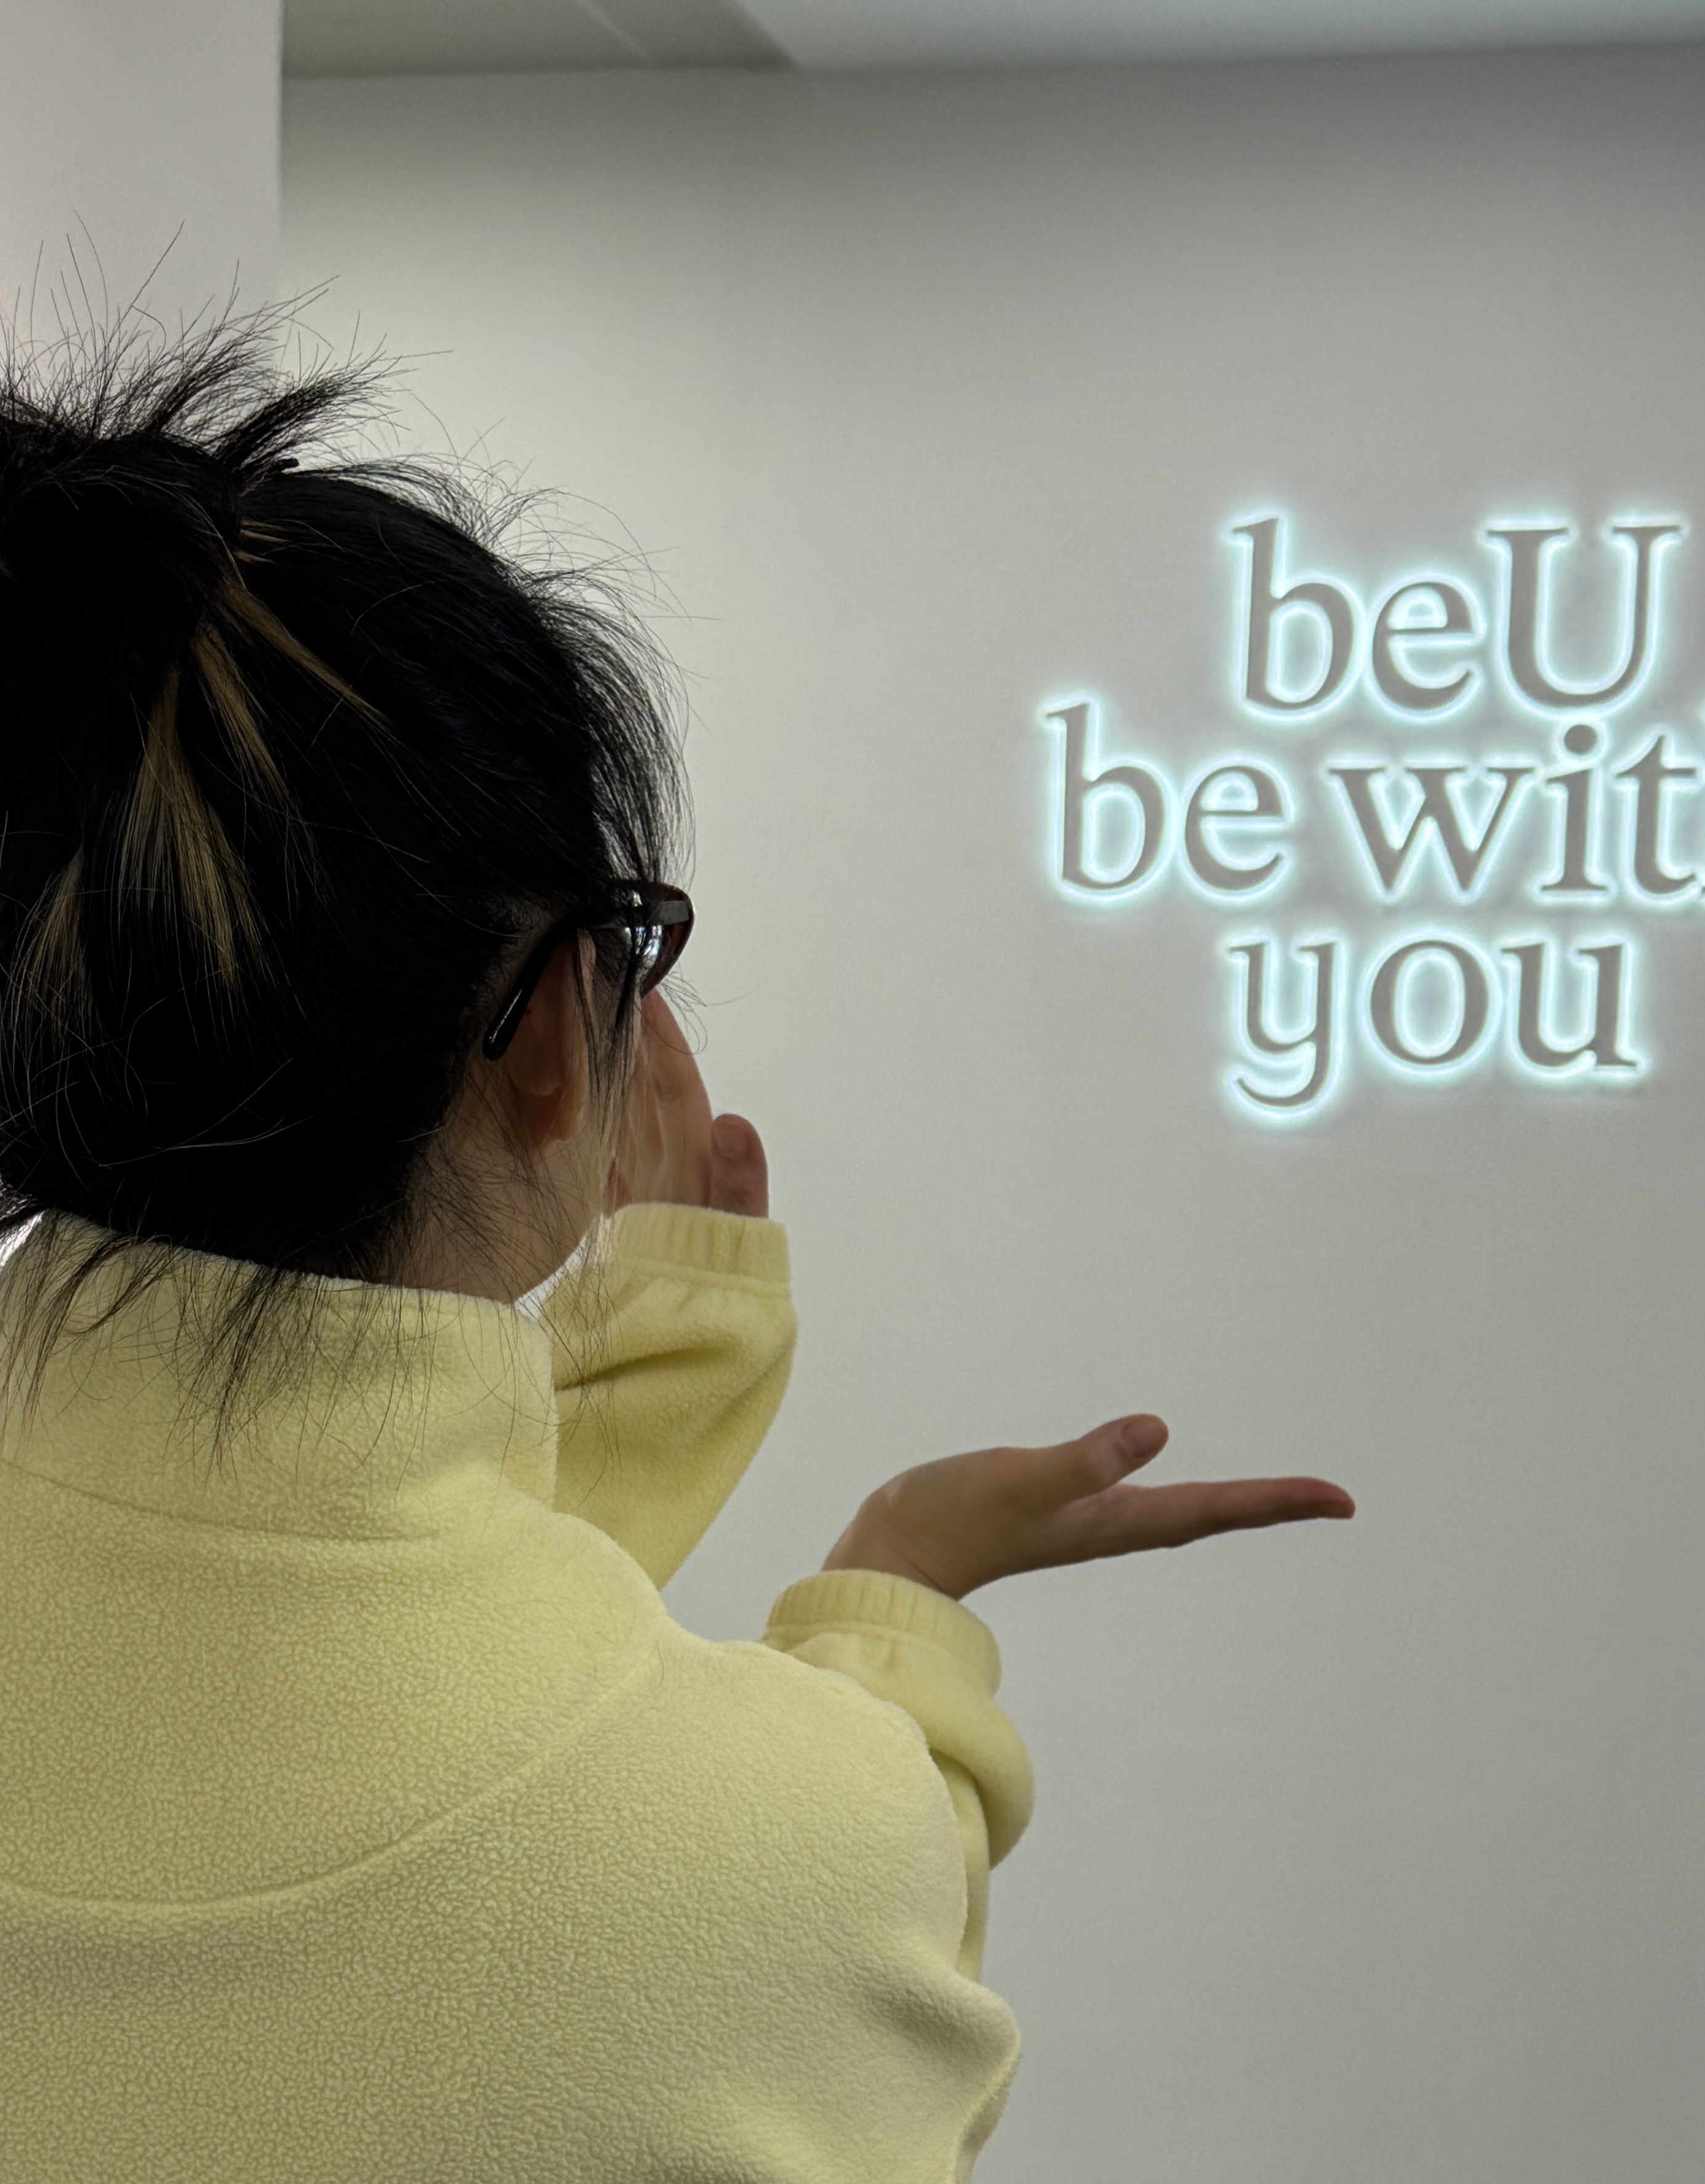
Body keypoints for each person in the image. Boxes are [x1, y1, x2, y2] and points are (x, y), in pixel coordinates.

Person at [0, 318, 1353, 2182]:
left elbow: (254, 1672)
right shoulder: (779, 1856)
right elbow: (528, 1822)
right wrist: (897, 1605)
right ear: (557, 1033)